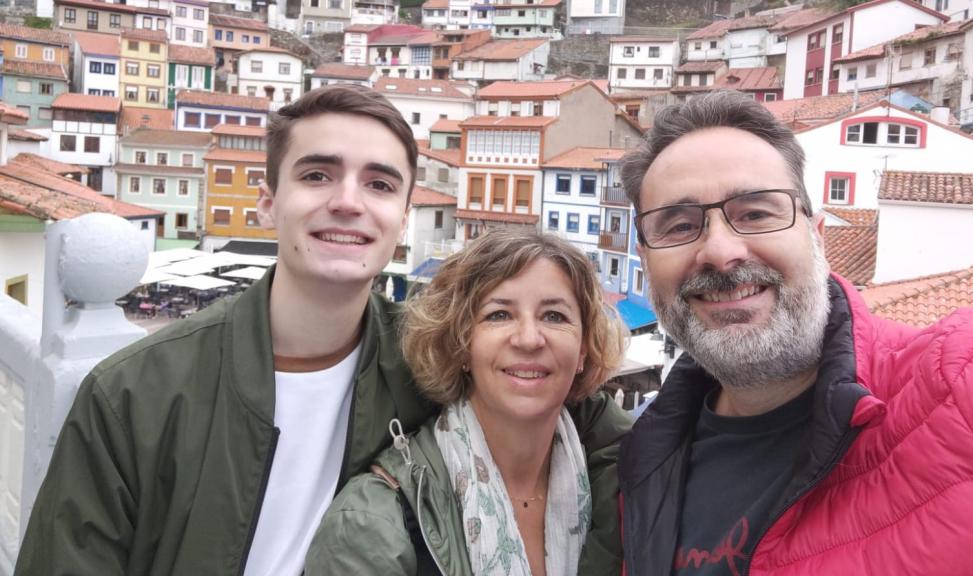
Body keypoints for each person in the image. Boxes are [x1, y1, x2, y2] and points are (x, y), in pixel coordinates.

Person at [16, 85, 632, 576]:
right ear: (266, 202)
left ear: (402, 216)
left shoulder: (431, 358)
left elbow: (571, 408)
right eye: (316, 175)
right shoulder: (136, 394)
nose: (348, 201)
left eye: (380, 184)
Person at [617, 89, 973, 576]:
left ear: (817, 234)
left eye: (755, 213)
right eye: (680, 226)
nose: (721, 252)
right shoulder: (641, 465)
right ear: (645, 261)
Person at [305, 228, 629, 576]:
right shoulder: (370, 527)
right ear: (461, 344)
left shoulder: (626, 485)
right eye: (499, 314)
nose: (529, 339)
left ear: (582, 350)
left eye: (554, 316)